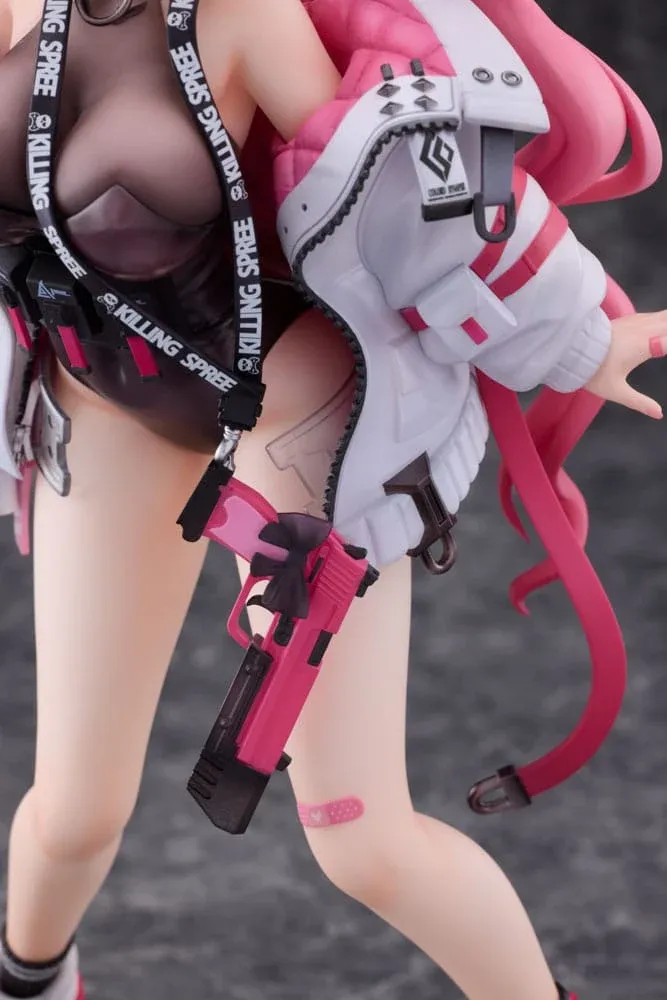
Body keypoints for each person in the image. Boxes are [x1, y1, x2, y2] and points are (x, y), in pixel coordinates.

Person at [0, 2, 662, 1000]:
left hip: (290, 424)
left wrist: (579, 332)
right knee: (72, 813)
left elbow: (399, 186)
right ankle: (33, 982)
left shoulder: (239, 11)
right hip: (101, 406)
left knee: (362, 838)